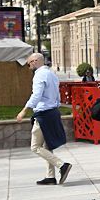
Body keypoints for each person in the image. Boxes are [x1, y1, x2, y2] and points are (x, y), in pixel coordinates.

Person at [16, 53, 71, 186]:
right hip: (53, 112)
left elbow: (36, 95)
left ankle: (62, 165)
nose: (29, 67)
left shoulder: (39, 75)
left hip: (43, 114)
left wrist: (24, 110)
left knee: (35, 146)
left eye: (29, 64)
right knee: (47, 146)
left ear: (35, 61)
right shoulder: (52, 74)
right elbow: (57, 95)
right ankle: (50, 177)